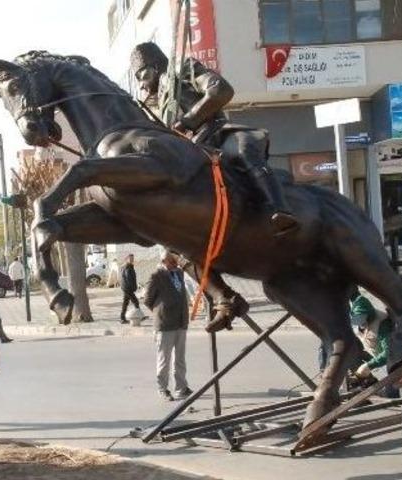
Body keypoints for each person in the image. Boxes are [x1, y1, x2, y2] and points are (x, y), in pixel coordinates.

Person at [130, 41, 297, 236]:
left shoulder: (183, 69)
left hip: (216, 134)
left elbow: (221, 90)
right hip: (192, 147)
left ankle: (279, 210)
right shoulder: (159, 101)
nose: (141, 85)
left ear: (155, 67)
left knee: (243, 151)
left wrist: (187, 121)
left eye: (141, 77)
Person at [144, 249, 192, 401]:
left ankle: (181, 387)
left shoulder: (179, 273)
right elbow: (147, 299)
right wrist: (161, 310)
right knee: (164, 360)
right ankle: (162, 389)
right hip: (165, 324)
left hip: (181, 322)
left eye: (175, 261)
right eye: (172, 261)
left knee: (180, 359)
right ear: (164, 261)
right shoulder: (156, 276)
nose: (175, 264)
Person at [119, 254, 139, 324]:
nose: (132, 260)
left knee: (125, 303)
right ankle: (139, 316)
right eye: (130, 259)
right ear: (127, 259)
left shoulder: (124, 266)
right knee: (136, 302)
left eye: (132, 259)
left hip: (125, 287)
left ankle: (122, 318)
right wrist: (134, 287)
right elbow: (129, 278)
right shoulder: (128, 267)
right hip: (128, 288)